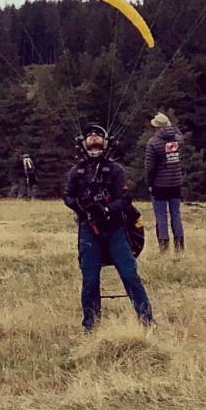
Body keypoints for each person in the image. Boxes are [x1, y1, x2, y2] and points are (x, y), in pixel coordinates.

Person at [63, 125, 154, 333]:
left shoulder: (115, 170)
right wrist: (82, 207)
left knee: (129, 273)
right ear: (83, 142)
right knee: (90, 278)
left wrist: (104, 209)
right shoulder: (77, 172)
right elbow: (67, 196)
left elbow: (124, 199)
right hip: (89, 230)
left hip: (115, 228)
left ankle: (146, 320)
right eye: (89, 136)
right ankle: (91, 326)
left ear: (105, 142)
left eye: (97, 136)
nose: (93, 139)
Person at [145, 111, 185, 253]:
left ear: (157, 127)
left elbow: (150, 167)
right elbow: (180, 135)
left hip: (159, 184)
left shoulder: (153, 143)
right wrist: (171, 125)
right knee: (176, 214)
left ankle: (164, 247)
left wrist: (149, 183)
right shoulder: (177, 140)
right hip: (176, 182)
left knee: (161, 216)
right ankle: (179, 246)